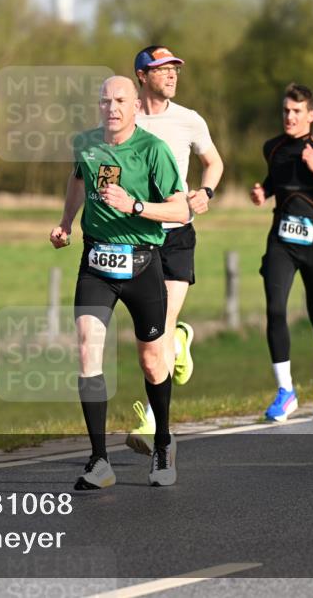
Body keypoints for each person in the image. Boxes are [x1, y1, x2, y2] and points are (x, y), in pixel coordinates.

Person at [50, 76, 188, 489]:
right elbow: (78, 180)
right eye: (105, 101)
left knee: (152, 361)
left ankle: (162, 443)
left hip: (143, 263)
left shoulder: (153, 150)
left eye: (120, 100)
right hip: (96, 262)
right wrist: (65, 222)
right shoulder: (86, 144)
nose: (112, 108)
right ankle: (99, 461)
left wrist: (135, 206)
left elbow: (180, 209)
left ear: (135, 107)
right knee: (87, 349)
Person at [125, 45, 225, 455]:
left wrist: (206, 192)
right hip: (136, 236)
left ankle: (152, 422)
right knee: (149, 334)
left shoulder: (189, 120)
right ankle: (180, 341)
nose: (171, 75)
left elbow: (214, 162)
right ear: (142, 75)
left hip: (177, 235)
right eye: (162, 69)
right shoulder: (125, 119)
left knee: (160, 327)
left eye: (175, 70)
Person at [250, 83, 313, 422]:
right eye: (285, 111)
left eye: (296, 111)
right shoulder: (273, 147)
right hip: (281, 240)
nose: (289, 117)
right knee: (275, 310)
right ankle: (286, 391)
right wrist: (263, 191)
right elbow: (277, 179)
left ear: (311, 115)